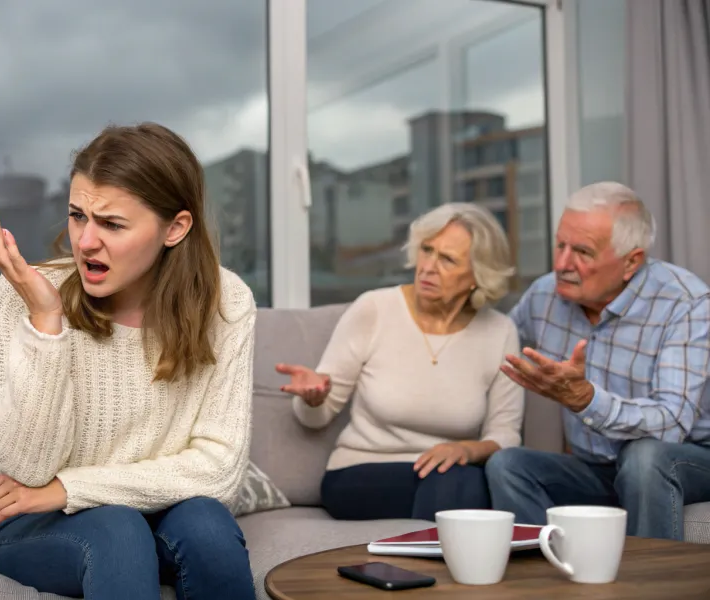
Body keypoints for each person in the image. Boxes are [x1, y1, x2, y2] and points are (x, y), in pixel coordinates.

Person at [0, 123, 257, 600]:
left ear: (175, 228)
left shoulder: (226, 301)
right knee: (119, 528)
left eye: (111, 224)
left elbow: (219, 471)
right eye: (77, 215)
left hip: (140, 509)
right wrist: (47, 320)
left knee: (207, 523)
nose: (85, 242)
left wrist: (70, 488)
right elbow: (27, 466)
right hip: (34, 524)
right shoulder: (23, 294)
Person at [486, 181, 710, 541]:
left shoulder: (686, 304)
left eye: (583, 252)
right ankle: (551, 582)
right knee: (508, 465)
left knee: (644, 457)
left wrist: (586, 400)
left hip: (689, 457)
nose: (561, 264)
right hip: (597, 466)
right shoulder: (545, 295)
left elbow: (671, 423)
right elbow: (492, 345)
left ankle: (646, 589)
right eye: (560, 245)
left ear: (631, 261)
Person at [276, 203, 525, 521]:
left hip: (450, 472)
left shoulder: (500, 332)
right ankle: (441, 562)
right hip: (361, 473)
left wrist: (465, 450)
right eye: (427, 250)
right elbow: (317, 417)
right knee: (462, 491)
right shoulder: (375, 309)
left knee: (464, 482)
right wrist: (313, 399)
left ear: (478, 276)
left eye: (447, 259)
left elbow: (505, 435)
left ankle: (414, 565)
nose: (428, 267)